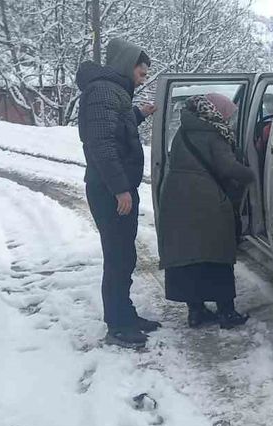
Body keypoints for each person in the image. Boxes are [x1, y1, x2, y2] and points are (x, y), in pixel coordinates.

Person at [77, 38, 161, 350]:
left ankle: (125, 314)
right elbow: (101, 145)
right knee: (117, 256)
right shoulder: (102, 91)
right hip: (109, 190)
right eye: (142, 72)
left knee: (125, 255)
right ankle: (118, 324)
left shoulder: (114, 92)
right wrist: (120, 189)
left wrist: (139, 113)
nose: (143, 77)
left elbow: (116, 128)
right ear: (129, 65)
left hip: (115, 187)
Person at [156, 94, 253, 329]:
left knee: (189, 256)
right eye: (228, 115)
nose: (229, 120)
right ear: (217, 112)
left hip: (176, 198)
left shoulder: (184, 132)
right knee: (216, 253)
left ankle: (196, 312)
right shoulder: (214, 134)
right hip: (205, 200)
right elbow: (227, 167)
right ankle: (226, 313)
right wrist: (252, 175)